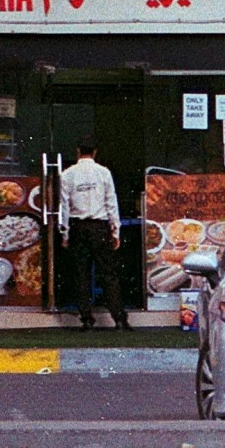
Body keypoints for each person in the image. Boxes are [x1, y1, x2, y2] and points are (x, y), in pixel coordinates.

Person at [60, 141, 128, 329]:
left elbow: (64, 207)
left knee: (80, 275)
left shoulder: (67, 174)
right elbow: (111, 202)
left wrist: (65, 233)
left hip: (78, 226)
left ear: (77, 151)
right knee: (108, 274)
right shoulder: (103, 172)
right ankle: (119, 319)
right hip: (100, 227)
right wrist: (116, 230)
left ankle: (87, 320)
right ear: (95, 152)